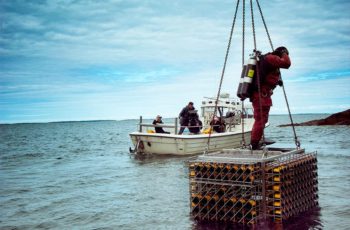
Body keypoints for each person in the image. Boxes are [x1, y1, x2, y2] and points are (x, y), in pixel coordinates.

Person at [250, 46, 291, 150]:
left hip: (261, 94)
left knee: (261, 119)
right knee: (261, 119)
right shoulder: (271, 58)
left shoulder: (267, 60)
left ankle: (255, 142)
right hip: (261, 95)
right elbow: (287, 64)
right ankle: (254, 144)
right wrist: (284, 53)